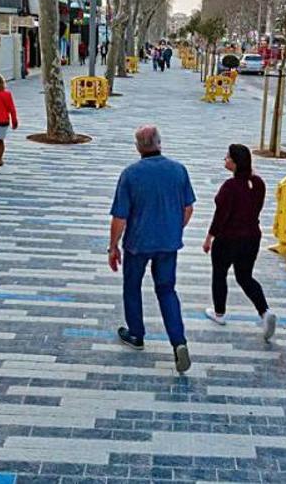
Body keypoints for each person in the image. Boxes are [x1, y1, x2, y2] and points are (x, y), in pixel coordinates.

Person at [109, 125, 196, 373]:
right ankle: (178, 342)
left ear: (138, 147)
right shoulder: (178, 171)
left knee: (132, 286)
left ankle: (136, 334)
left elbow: (120, 218)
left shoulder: (130, 175)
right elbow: (188, 208)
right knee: (167, 290)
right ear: (160, 143)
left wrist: (113, 246)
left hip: (138, 244)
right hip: (168, 244)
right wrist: (174, 229)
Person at [202, 144, 276, 340]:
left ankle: (219, 313)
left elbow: (221, 216)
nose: (224, 160)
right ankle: (265, 312)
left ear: (235, 164)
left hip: (228, 238)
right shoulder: (258, 184)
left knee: (220, 274)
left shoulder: (229, 187)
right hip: (251, 237)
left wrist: (209, 237)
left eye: (227, 158)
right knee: (245, 277)